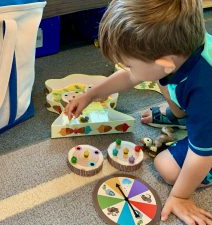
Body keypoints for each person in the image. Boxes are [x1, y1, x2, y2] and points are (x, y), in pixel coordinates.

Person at [64, 0, 212, 224]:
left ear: (165, 63)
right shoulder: (178, 54)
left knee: (167, 167)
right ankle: (181, 116)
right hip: (196, 102)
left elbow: (201, 156)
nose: (127, 70)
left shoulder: (205, 90)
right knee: (159, 79)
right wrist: (91, 95)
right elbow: (134, 76)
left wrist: (180, 196)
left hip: (206, 116)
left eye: (129, 64)